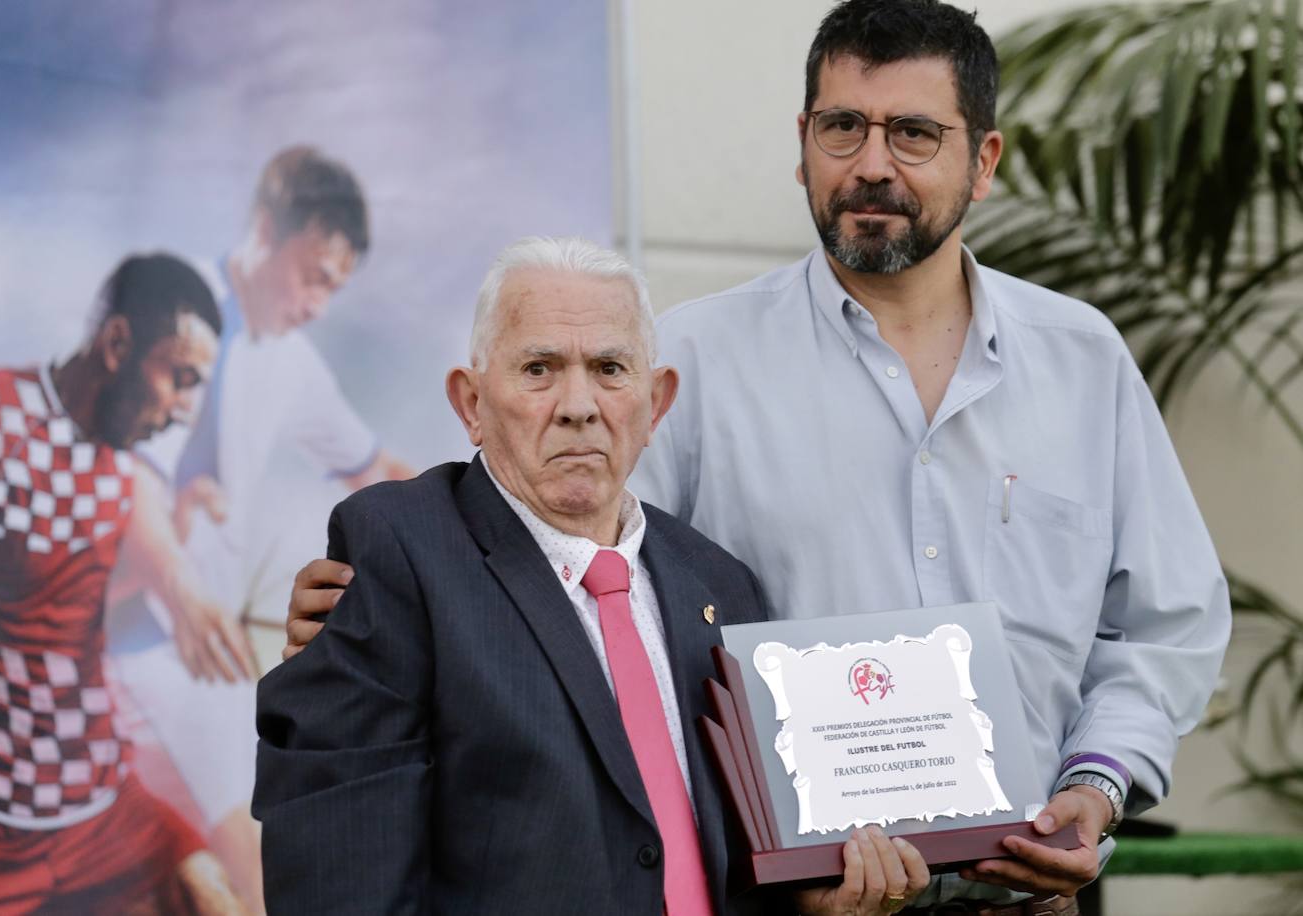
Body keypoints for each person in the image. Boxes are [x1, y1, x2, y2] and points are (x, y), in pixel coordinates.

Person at [284, 2, 1231, 913]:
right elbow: (560, 587)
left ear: (982, 160)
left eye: (912, 133)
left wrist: (1099, 785)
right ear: (802, 142)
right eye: (842, 127)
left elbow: (1163, 624)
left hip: (1028, 901)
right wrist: (387, 616)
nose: (871, 166)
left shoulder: (1083, 358)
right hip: (797, 905)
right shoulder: (686, 366)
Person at [254, 236, 931, 916]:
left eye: (609, 369)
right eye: (540, 369)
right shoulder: (398, 552)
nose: (579, 405)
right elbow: (341, 879)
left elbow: (735, 867)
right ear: (471, 404)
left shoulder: (719, 586)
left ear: (656, 405)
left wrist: (814, 902)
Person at [107, 144, 411, 911]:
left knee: (254, 863)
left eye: (334, 289)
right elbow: (123, 480)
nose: (316, 302)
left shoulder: (293, 362)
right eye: (313, 276)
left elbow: (375, 469)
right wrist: (176, 580)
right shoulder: (176, 313)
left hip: (198, 654)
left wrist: (493, 499)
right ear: (265, 228)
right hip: (125, 636)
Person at [0, 254, 243, 913]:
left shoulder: (116, 464)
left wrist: (179, 576)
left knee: (215, 895)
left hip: (102, 810)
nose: (185, 408)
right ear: (118, 344)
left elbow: (58, 599)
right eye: (179, 378)